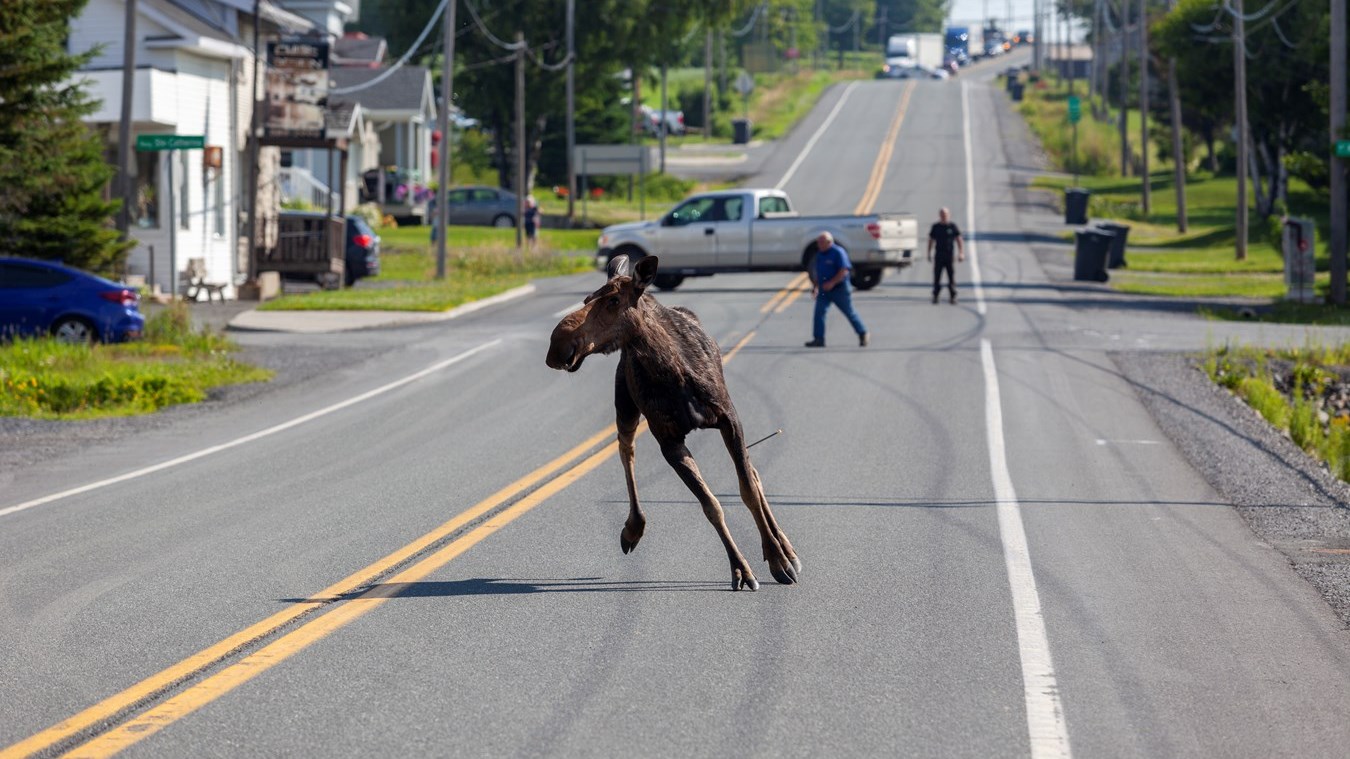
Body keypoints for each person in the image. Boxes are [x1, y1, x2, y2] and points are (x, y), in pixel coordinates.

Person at [804, 231, 868, 348]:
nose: (819, 245)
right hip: (824, 290)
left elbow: (844, 270)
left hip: (840, 289)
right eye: (818, 242)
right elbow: (818, 273)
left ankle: (862, 333)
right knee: (819, 313)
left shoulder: (838, 252)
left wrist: (832, 283)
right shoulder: (819, 255)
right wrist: (815, 287)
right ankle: (818, 339)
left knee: (849, 312)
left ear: (829, 242)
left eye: (822, 242)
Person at [927, 207, 965, 304]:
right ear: (940, 215)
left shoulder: (952, 226)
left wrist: (961, 253)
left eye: (946, 214)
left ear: (949, 215)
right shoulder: (936, 227)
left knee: (951, 276)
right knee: (937, 276)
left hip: (949, 256)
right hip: (939, 255)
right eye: (942, 215)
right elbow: (931, 240)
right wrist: (929, 253)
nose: (944, 216)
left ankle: (953, 296)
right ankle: (935, 296)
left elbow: (959, 239)